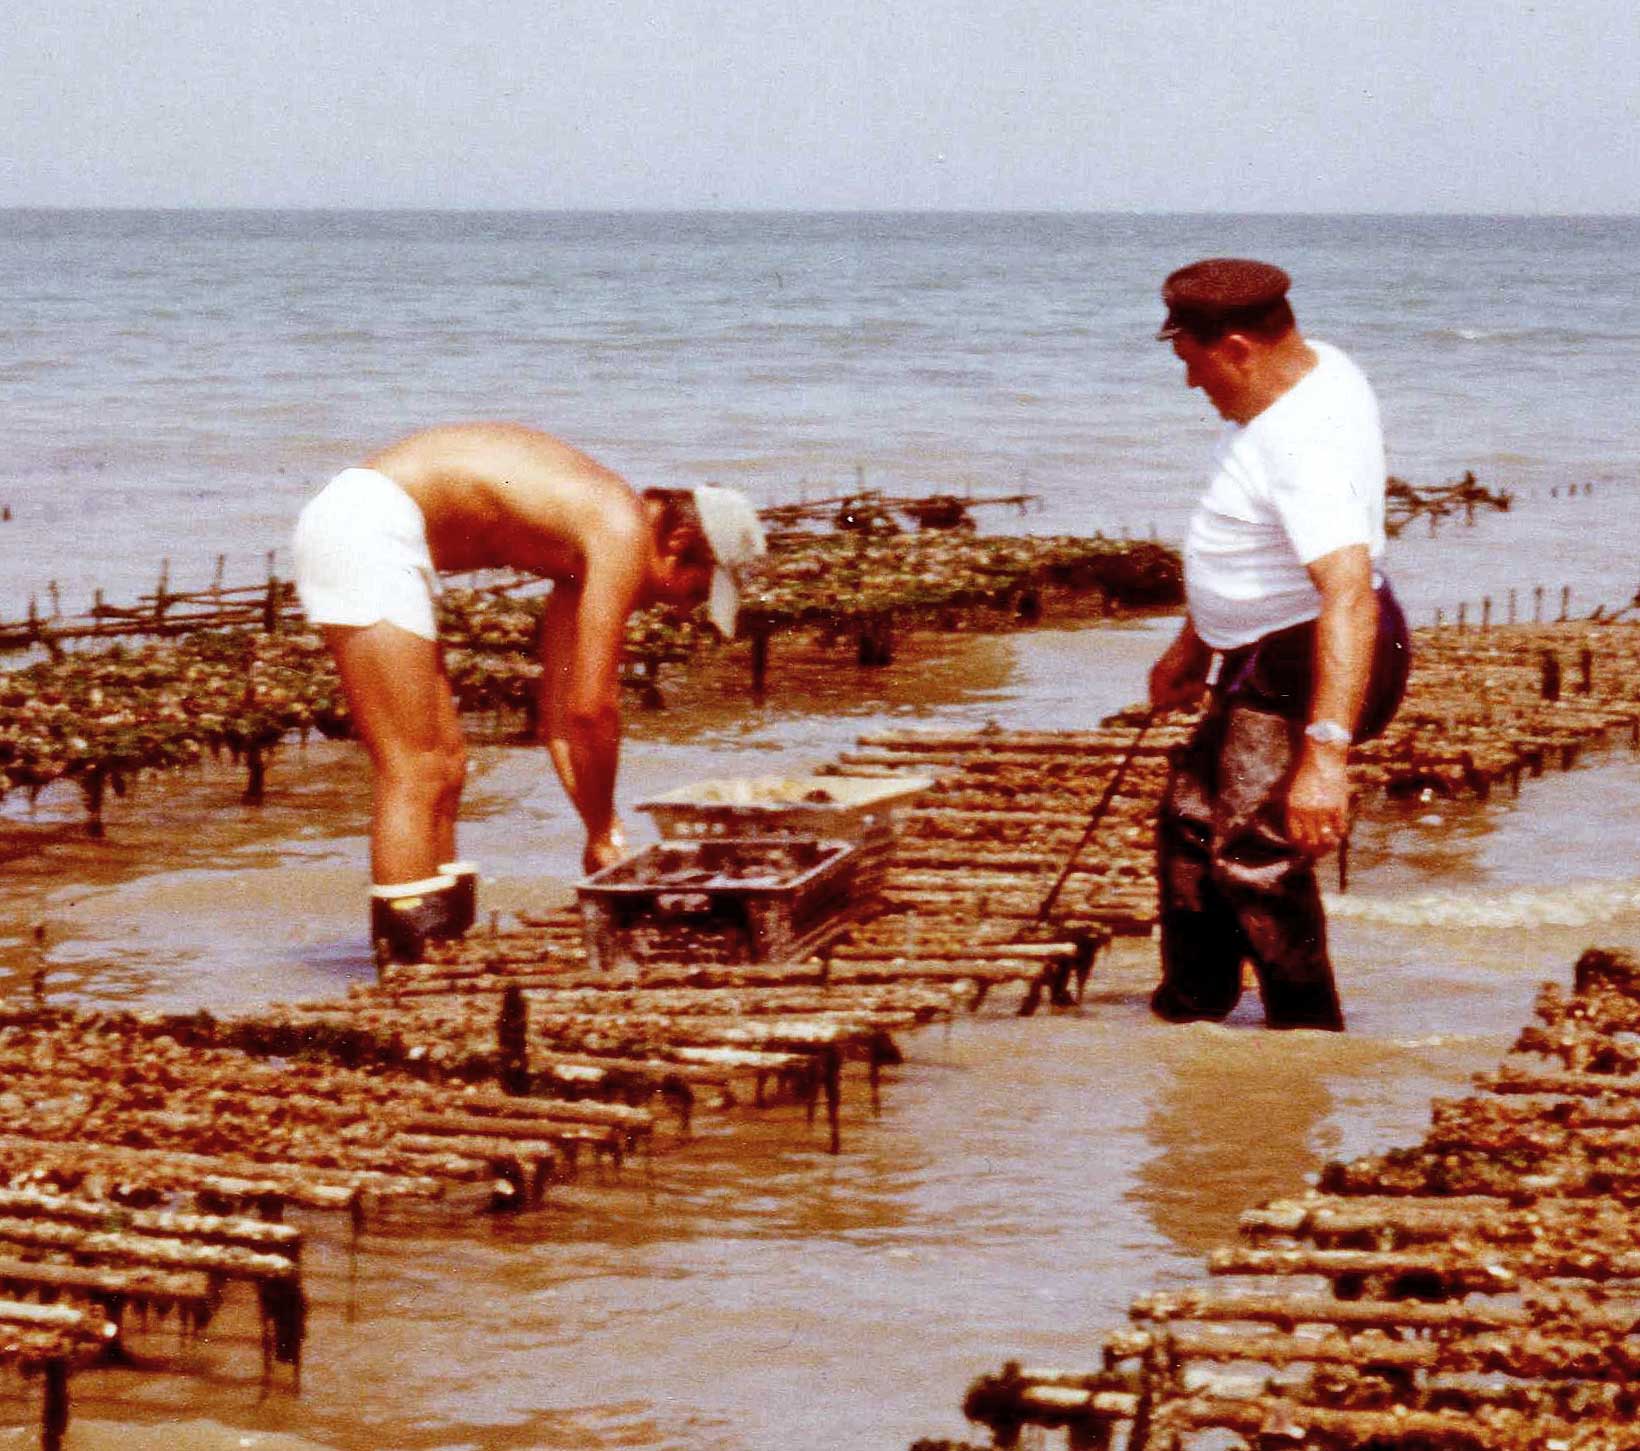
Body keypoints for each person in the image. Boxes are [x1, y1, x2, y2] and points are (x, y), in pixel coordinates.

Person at [292, 422, 766, 964]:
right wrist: (605, 822)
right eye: (697, 591)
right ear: (679, 544)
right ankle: (402, 966)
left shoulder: (581, 547)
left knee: (446, 763)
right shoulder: (621, 530)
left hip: (375, 529)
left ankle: (436, 948)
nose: (685, 609)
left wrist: (596, 830)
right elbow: (595, 709)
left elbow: (562, 720)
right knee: (414, 768)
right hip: (365, 527)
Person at [1145, 259, 1410, 1031]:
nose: (1193, 384)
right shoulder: (1318, 364)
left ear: (1234, 348)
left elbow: (1348, 594)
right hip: (1258, 649)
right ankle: (1194, 1011)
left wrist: (1326, 757)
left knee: (1255, 858)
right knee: (1192, 825)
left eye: (1192, 363)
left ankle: (1305, 1036)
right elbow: (1257, 553)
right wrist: (1193, 644)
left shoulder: (1303, 444)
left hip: (1303, 660)